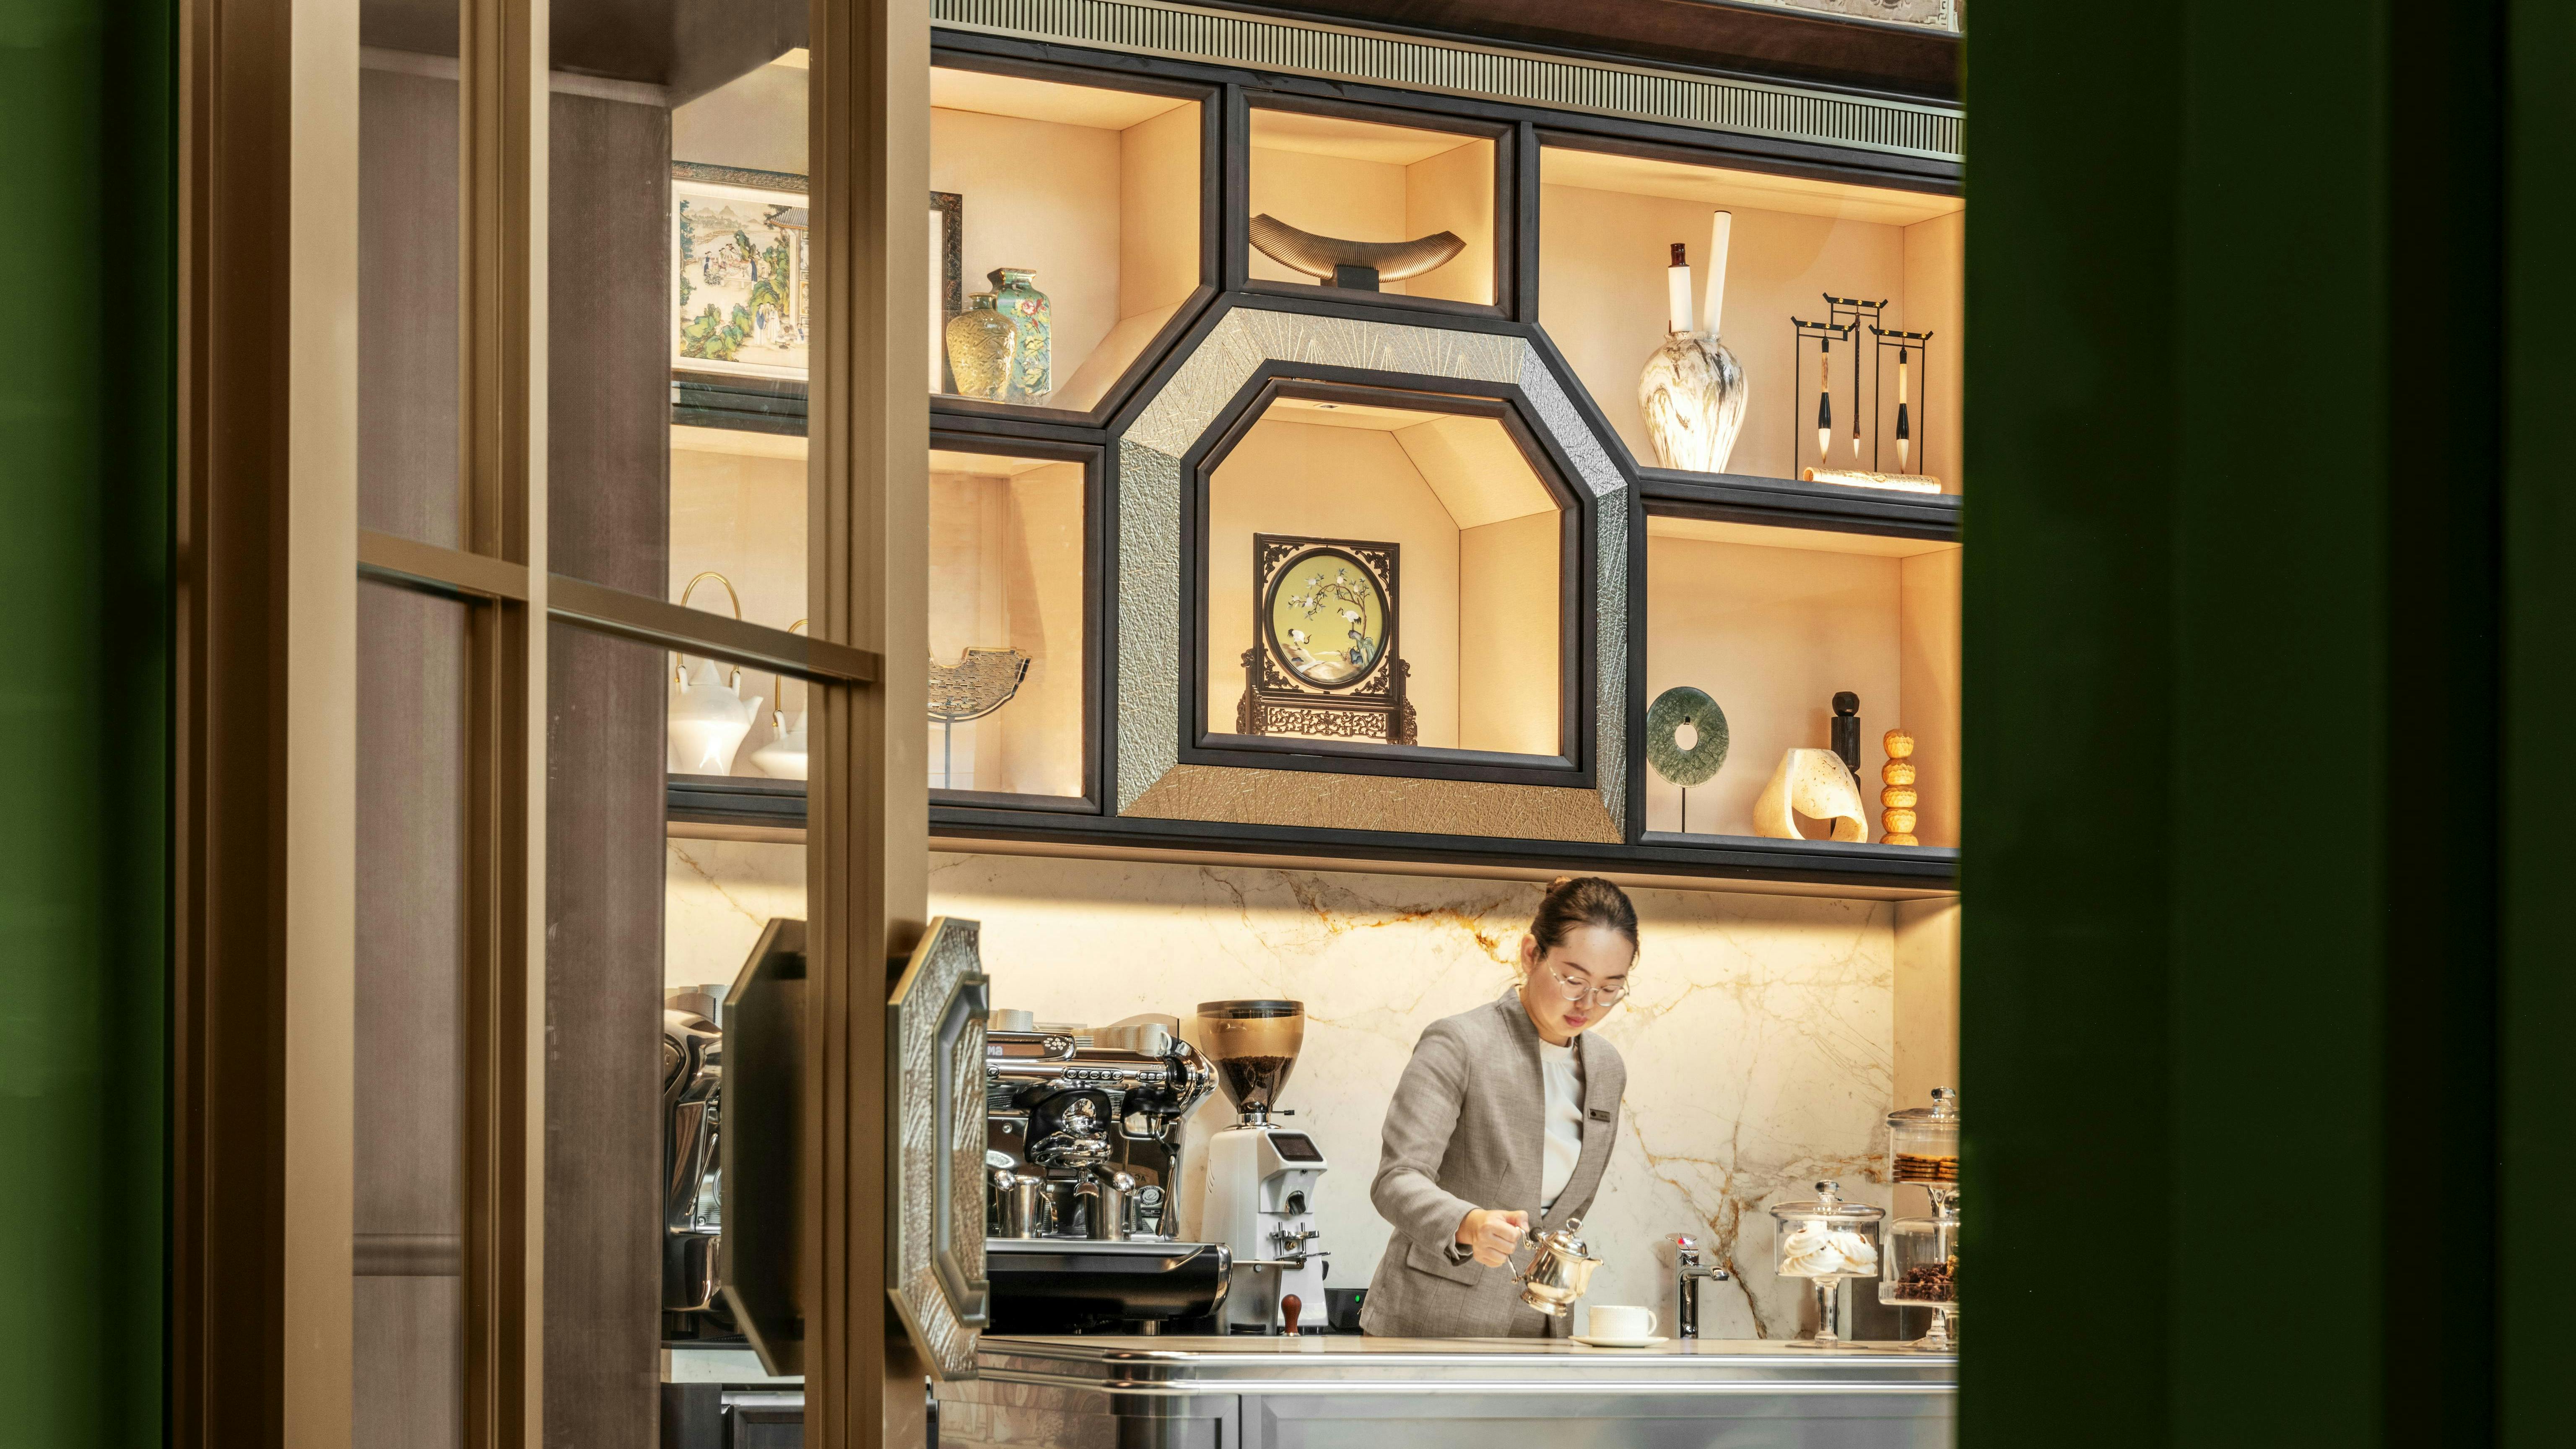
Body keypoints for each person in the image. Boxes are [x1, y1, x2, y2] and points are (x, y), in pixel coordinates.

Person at [1359, 875, 1638, 1338]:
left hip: (1541, 1329)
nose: (1588, 1004)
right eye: (1573, 979)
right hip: (1431, 1324)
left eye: (1611, 988)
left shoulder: (1607, 1068)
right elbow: (1396, 1180)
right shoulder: (1461, 1043)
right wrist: (1469, 1223)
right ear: (1531, 954)